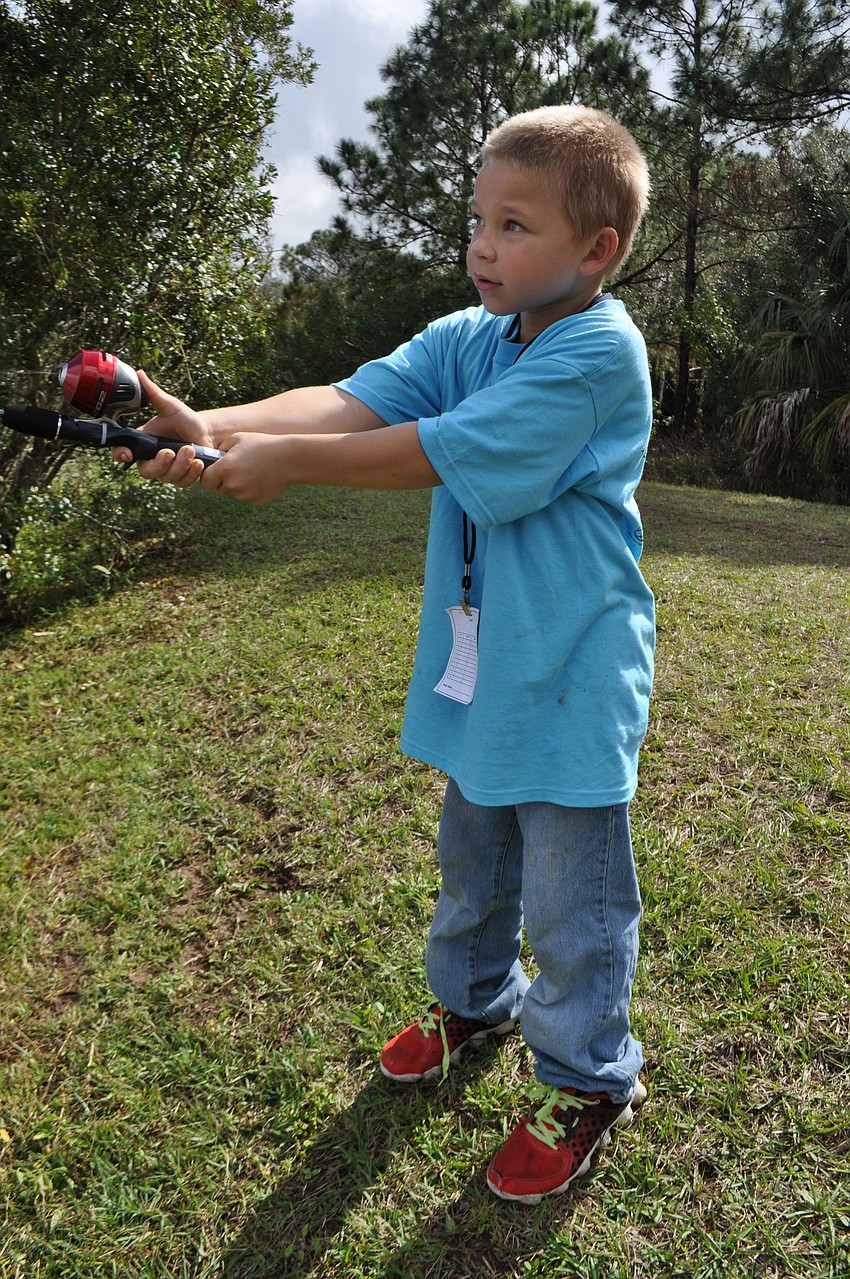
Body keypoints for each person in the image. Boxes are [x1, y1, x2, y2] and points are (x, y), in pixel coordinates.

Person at [117, 104, 655, 1205]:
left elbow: (433, 449)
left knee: (572, 902)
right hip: (484, 669)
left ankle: (585, 1077)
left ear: (594, 249)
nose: (480, 247)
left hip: (571, 675)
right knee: (472, 859)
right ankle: (472, 1003)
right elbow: (352, 399)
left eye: (513, 226)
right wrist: (205, 427)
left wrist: (289, 468)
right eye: (477, 221)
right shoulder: (469, 336)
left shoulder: (600, 351)